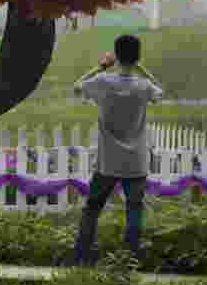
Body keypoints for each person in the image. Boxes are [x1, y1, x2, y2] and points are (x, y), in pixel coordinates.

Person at [69, 35, 164, 266]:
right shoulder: (143, 86)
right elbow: (160, 90)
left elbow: (76, 87)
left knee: (93, 207)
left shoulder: (103, 81)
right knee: (134, 209)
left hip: (108, 161)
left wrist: (100, 66)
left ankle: (82, 255)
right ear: (137, 57)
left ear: (117, 56)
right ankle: (129, 258)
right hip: (136, 161)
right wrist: (140, 67)